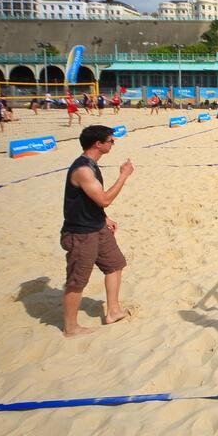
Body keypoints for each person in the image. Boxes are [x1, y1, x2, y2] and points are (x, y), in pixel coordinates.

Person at [60, 125, 133, 336]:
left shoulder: (92, 165)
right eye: (110, 141)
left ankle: (113, 311)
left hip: (97, 226)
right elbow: (105, 199)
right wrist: (123, 176)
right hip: (81, 233)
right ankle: (71, 327)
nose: (113, 143)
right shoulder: (83, 169)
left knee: (115, 264)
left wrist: (103, 218)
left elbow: (91, 202)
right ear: (98, 144)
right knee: (77, 281)